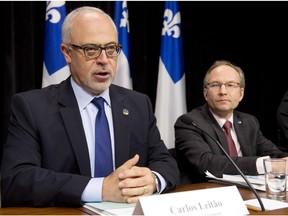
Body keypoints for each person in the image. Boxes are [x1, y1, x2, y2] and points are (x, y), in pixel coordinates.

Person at [1, 6, 179, 207]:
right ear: (67, 53)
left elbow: (166, 163)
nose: (104, 60)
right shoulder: (32, 107)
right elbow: (16, 179)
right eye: (91, 50)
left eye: (111, 48)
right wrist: (101, 189)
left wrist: (152, 180)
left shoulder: (138, 104)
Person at [174, 60, 288, 184]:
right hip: (208, 196)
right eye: (215, 85)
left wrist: (283, 160)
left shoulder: (249, 122)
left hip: (247, 193)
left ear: (241, 94)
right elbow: (207, 164)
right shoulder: (189, 123)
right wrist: (266, 165)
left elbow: (275, 154)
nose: (223, 91)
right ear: (205, 93)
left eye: (231, 85)